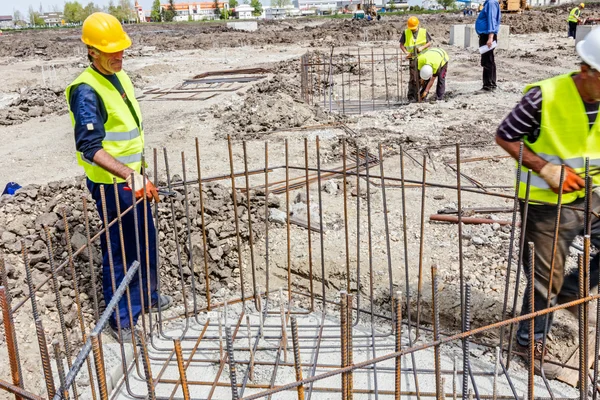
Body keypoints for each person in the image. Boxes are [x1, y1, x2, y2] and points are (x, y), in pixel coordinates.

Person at [495, 27, 600, 379]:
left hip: (588, 195)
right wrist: (545, 168)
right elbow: (505, 135)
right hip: (544, 201)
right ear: (586, 70)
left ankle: (573, 292)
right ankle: (530, 339)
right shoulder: (545, 96)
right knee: (544, 279)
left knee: (561, 285)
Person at [65, 12, 172, 342]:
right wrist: (129, 174)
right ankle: (121, 319)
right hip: (113, 185)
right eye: (111, 50)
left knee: (145, 236)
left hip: (132, 178)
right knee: (121, 248)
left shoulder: (118, 75)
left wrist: (137, 174)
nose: (119, 55)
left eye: (121, 49)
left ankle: (148, 296)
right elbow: (89, 148)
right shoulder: (85, 90)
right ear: (91, 51)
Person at [399, 16, 432, 102]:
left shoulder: (423, 32)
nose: (413, 30)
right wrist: (406, 52)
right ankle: (412, 97)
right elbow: (401, 45)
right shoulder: (406, 32)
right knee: (413, 78)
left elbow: (429, 42)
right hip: (413, 59)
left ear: (418, 25)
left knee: (425, 76)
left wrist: (422, 47)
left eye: (414, 28)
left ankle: (422, 95)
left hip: (423, 58)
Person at [475, 0, 501, 91]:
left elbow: (492, 19)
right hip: (487, 35)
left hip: (487, 36)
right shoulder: (490, 3)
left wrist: (490, 37)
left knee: (487, 61)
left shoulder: (491, 3)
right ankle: (490, 84)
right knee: (489, 60)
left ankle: (488, 85)